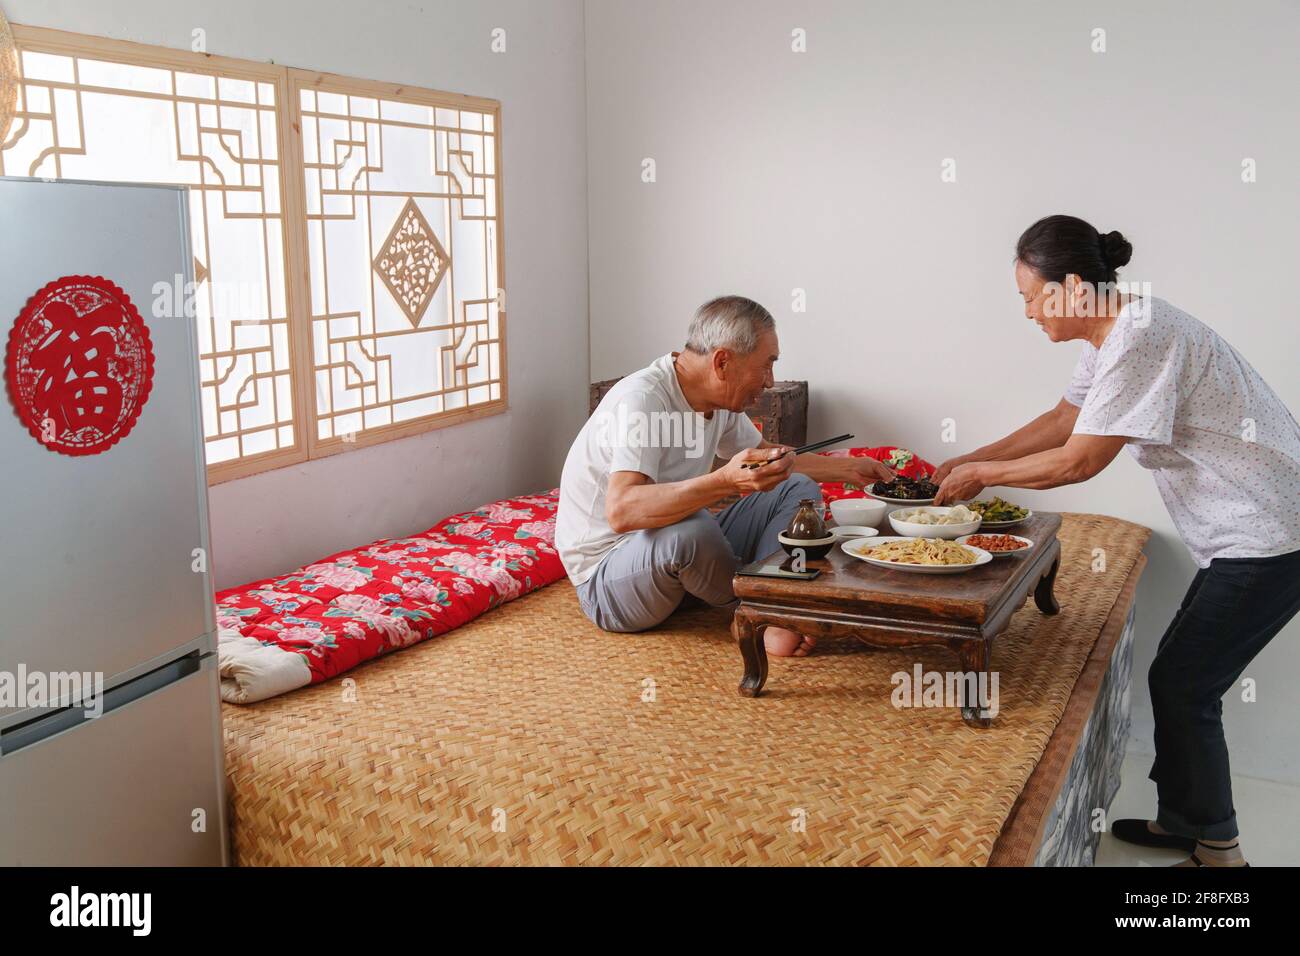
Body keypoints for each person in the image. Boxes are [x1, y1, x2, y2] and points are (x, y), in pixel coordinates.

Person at [932, 214, 1300, 867]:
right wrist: (968, 458)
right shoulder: (1113, 333)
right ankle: (1187, 820)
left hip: (1271, 531)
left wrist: (983, 475)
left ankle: (1221, 850)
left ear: (1073, 289)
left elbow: (1080, 459)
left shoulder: (1141, 334)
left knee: (1186, 684)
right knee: (1180, 678)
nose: (1025, 312)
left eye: (1029, 296)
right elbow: (1064, 418)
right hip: (1246, 528)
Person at [556, 295, 895, 657]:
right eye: (766, 366)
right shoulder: (644, 401)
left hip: (675, 559)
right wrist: (724, 482)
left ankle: (770, 601)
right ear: (722, 362)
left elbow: (767, 458)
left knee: (796, 488)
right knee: (692, 530)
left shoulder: (719, 400)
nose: (770, 381)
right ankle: (754, 616)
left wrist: (847, 469)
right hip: (609, 579)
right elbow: (622, 511)